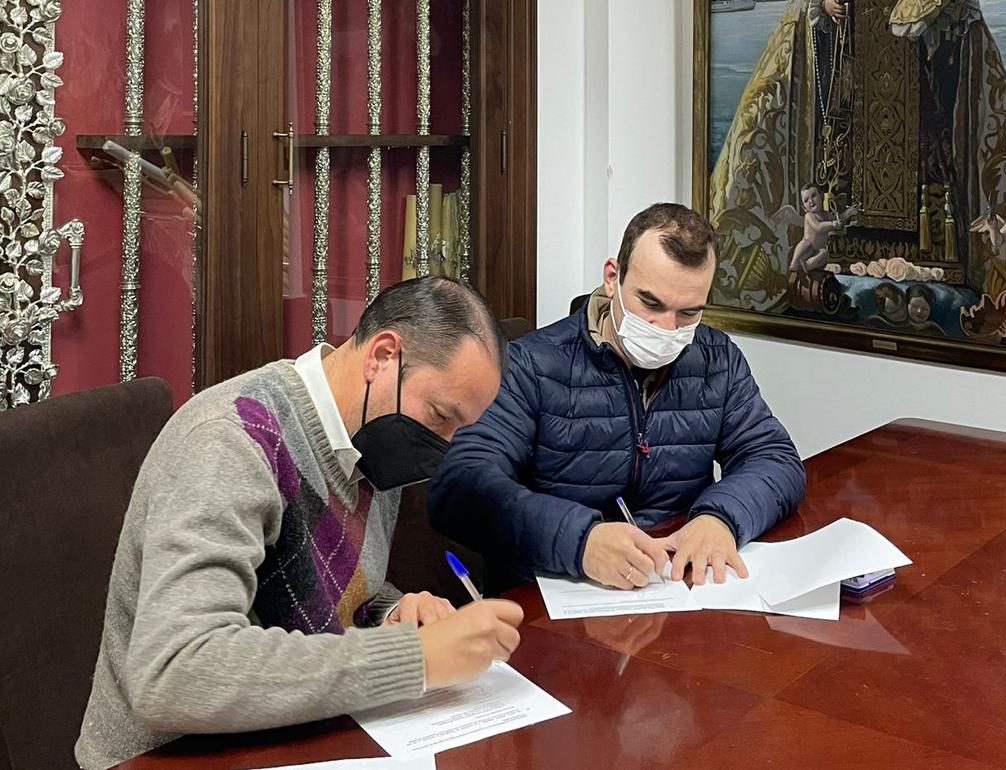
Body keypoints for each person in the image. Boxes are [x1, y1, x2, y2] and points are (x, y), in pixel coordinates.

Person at [76, 277, 524, 770]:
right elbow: (176, 670)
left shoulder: (373, 436)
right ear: (382, 356)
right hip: (169, 753)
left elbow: (331, 592)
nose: (444, 446)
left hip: (295, 737)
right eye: (440, 416)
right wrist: (413, 658)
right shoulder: (232, 440)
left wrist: (393, 612)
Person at [429, 203, 805, 592]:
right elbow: (461, 487)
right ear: (613, 278)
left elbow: (774, 459)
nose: (667, 328)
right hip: (557, 593)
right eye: (651, 304)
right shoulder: (531, 365)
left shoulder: (716, 360)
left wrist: (720, 518)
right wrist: (580, 541)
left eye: (688, 313)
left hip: (675, 584)